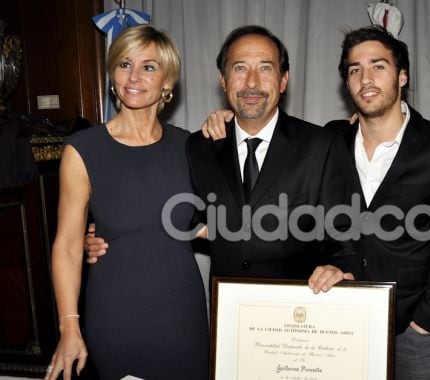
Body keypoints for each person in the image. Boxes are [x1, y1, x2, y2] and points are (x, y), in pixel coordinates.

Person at [202, 25, 430, 380]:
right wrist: (225, 119)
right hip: (335, 314)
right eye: (355, 69)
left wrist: (426, 322)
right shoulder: (331, 138)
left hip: (409, 325)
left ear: (402, 75)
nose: (365, 78)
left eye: (378, 66)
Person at [86, 25, 362, 291]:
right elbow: (180, 215)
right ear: (223, 80)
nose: (252, 82)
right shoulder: (199, 147)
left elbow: (344, 230)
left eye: (265, 68)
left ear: (283, 80)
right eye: (239, 68)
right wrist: (111, 231)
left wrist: (339, 267)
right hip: (227, 312)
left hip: (298, 314)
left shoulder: (321, 146)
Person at [45, 25, 209, 380]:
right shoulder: (83, 149)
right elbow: (69, 246)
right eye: (124, 64)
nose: (134, 76)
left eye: (149, 67)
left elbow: (213, 225)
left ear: (168, 81)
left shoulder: (191, 146)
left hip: (182, 315)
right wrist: (69, 327)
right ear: (112, 74)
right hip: (116, 314)